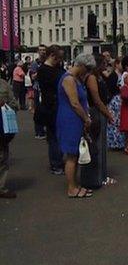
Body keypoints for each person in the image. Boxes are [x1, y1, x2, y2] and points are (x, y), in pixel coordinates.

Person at [57, 53, 96, 198]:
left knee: (76, 153)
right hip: (70, 119)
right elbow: (74, 103)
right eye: (87, 68)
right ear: (81, 65)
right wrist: (86, 118)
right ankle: (71, 188)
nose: (88, 72)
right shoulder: (68, 79)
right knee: (72, 155)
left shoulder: (75, 79)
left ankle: (74, 184)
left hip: (75, 119)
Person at [81, 54, 116, 189]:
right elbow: (96, 99)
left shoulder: (99, 76)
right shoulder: (91, 78)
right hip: (96, 111)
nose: (105, 66)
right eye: (103, 64)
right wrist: (108, 114)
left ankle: (102, 175)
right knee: (97, 144)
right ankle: (98, 177)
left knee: (101, 145)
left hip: (100, 110)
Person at [37, 46, 65, 175]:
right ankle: (56, 163)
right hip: (51, 106)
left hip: (58, 104)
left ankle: (58, 160)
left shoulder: (57, 68)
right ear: (52, 56)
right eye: (59, 57)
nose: (60, 60)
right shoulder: (44, 70)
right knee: (54, 136)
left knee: (58, 135)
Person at [0, 76, 19, 198]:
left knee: (2, 157)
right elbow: (14, 104)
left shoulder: (3, 84)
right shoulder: (3, 84)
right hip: (2, 129)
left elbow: (14, 104)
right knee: (2, 158)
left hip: (2, 130)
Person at [105, 57, 125, 150]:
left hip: (120, 99)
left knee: (119, 121)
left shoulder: (122, 74)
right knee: (114, 122)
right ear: (117, 64)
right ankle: (114, 143)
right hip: (114, 100)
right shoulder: (113, 75)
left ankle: (120, 141)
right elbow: (111, 88)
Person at [30, 45, 47, 139]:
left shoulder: (48, 61)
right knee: (38, 111)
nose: (43, 52)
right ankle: (38, 131)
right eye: (41, 50)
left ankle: (45, 130)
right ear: (38, 51)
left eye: (44, 50)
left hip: (46, 89)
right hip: (38, 89)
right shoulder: (35, 63)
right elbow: (33, 77)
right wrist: (41, 70)